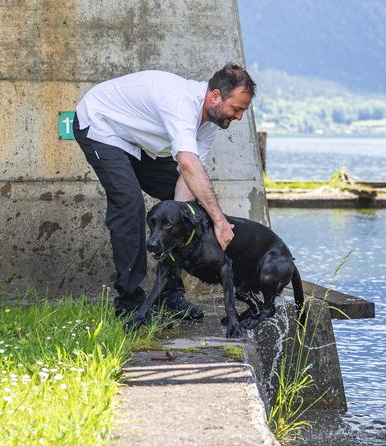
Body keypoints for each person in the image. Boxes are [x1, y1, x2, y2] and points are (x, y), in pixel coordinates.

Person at [73, 64, 255, 318]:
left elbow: (187, 178)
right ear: (215, 96)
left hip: (135, 139)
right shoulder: (180, 102)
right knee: (128, 204)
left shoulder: (210, 125)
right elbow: (189, 163)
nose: (238, 117)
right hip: (100, 125)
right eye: (236, 109)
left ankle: (169, 294)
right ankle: (129, 303)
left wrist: (180, 212)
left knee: (184, 210)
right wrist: (220, 221)